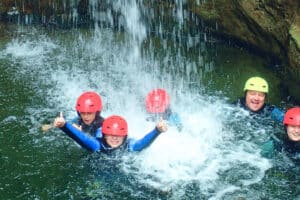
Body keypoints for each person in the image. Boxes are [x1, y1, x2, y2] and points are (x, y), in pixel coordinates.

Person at [53, 114, 168, 153]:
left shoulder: (129, 145)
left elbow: (142, 144)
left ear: (124, 136)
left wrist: (157, 131)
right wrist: (64, 125)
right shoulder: (98, 145)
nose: (115, 138)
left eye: (118, 136)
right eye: (111, 135)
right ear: (104, 135)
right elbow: (83, 140)